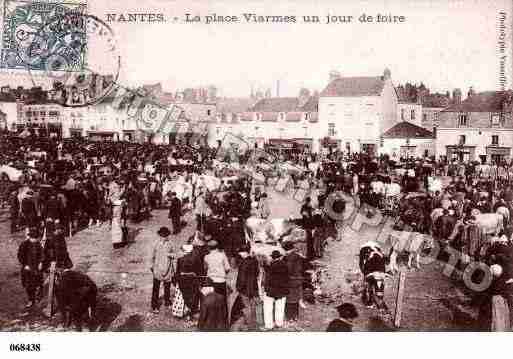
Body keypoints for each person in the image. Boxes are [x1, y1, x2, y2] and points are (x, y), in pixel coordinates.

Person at [149, 226, 176, 313]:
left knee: (167, 287)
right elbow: (151, 257)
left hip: (167, 269)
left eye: (166, 236)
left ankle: (167, 302)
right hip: (158, 270)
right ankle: (154, 306)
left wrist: (171, 255)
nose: (164, 237)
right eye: (162, 236)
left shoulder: (170, 244)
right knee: (156, 288)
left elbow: (174, 255)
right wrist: (152, 267)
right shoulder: (155, 244)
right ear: (159, 235)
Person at [233, 244, 259, 330]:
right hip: (254, 287)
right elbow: (257, 273)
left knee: (247, 307)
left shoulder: (244, 263)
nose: (240, 254)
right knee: (252, 307)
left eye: (240, 252)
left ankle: (250, 325)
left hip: (245, 289)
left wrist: (238, 288)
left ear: (244, 252)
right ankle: (254, 324)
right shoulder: (254, 261)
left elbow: (242, 278)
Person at [17, 228, 43, 308]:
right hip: (27, 268)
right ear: (30, 237)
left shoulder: (38, 244)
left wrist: (41, 262)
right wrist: (25, 265)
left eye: (36, 238)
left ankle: (39, 296)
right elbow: (20, 256)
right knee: (28, 285)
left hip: (36, 267)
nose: (35, 240)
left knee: (38, 283)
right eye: (33, 238)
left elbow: (42, 254)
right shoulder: (24, 245)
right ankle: (31, 300)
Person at [263, 250, 289, 330]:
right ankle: (279, 323)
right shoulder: (285, 266)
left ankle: (269, 325)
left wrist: (266, 288)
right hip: (282, 290)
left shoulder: (270, 267)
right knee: (280, 307)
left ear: (272, 258)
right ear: (279, 257)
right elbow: (287, 278)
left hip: (271, 290)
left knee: (268, 308)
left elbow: (268, 278)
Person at [174, 244, 200, 319]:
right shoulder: (195, 259)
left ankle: (183, 312)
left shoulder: (180, 259)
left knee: (184, 296)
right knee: (192, 296)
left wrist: (177, 280)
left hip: (183, 280)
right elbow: (198, 270)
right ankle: (191, 311)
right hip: (192, 280)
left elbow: (178, 272)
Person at [283, 241, 305, 321]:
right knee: (296, 298)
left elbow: (288, 269)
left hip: (290, 280)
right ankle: (295, 316)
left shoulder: (288, 257)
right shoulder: (298, 256)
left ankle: (290, 317)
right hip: (298, 279)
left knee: (289, 299)